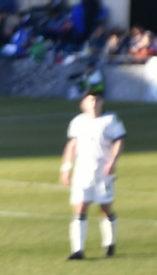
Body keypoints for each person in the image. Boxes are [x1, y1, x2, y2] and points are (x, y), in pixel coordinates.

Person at [59, 84, 124, 259]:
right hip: (82, 171)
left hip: (103, 172)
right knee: (80, 208)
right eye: (91, 100)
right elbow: (72, 146)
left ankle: (110, 244)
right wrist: (66, 168)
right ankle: (77, 250)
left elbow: (118, 141)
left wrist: (112, 161)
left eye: (97, 100)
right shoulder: (78, 122)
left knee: (105, 208)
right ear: (84, 103)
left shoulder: (110, 120)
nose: (94, 103)